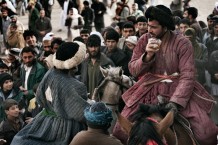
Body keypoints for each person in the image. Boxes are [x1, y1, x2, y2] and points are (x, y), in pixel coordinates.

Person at [113, 5, 218, 145]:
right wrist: (147, 56)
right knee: (119, 131)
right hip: (148, 89)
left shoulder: (183, 43)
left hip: (179, 89)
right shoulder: (144, 40)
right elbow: (133, 70)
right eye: (148, 25)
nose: (149, 30)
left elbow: (188, 76)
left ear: (165, 26)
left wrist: (175, 102)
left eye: (154, 27)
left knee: (207, 133)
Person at [11, 41, 90, 145]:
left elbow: (39, 97)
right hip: (65, 127)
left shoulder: (50, 73)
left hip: (45, 120)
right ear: (75, 63)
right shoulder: (74, 85)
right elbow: (80, 113)